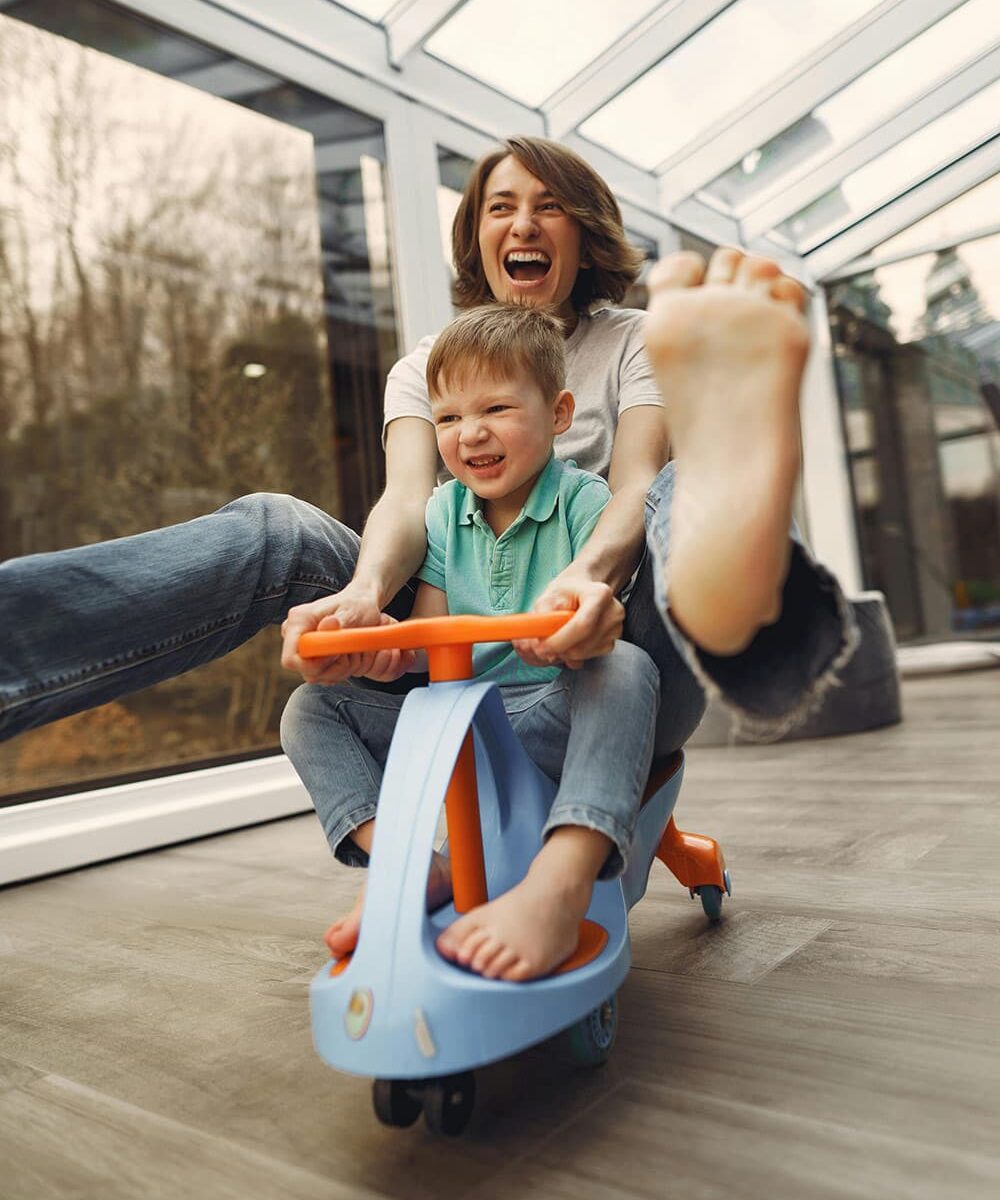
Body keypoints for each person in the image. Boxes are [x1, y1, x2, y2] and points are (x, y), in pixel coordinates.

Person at [1, 135, 854, 885]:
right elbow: (409, 499)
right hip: (467, 642)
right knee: (276, 527)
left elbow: (632, 482)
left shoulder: (641, 338)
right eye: (501, 207)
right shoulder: (425, 365)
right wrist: (367, 594)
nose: (523, 223)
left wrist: (587, 580)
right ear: (476, 234)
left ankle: (743, 606)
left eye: (549, 206)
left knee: (682, 481)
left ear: (583, 232)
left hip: (615, 637)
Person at [280, 303, 661, 982]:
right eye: (449, 418)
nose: (471, 433)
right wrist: (389, 653)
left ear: (560, 413)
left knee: (628, 670)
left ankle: (563, 879)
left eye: (496, 409)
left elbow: (598, 626)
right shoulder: (441, 511)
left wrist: (571, 640)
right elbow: (431, 642)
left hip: (547, 710)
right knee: (310, 710)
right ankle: (407, 866)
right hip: (457, 719)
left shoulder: (584, 502)